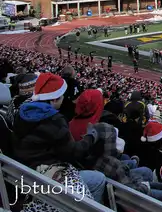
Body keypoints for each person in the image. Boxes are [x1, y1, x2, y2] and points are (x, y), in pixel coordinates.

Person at [11, 73, 105, 203]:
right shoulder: (54, 119)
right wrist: (90, 137)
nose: (63, 99)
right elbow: (73, 153)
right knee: (98, 179)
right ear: (54, 99)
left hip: (26, 170)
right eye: (61, 97)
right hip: (43, 176)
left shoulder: (22, 112)